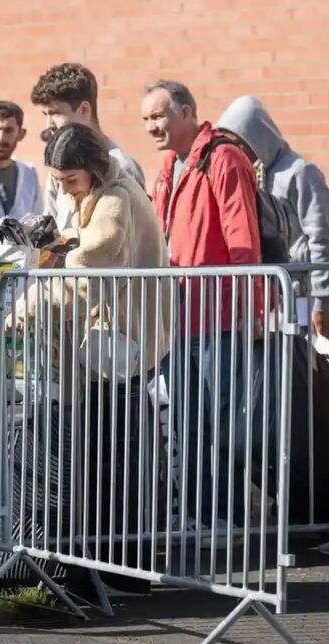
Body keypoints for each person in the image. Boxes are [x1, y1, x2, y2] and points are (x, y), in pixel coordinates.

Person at [13, 123, 170, 595]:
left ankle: (107, 570)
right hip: (123, 346)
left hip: (121, 348)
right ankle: (121, 568)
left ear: (94, 170)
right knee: (114, 460)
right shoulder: (107, 192)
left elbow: (88, 275)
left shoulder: (115, 203)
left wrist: (29, 307)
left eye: (70, 180)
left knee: (107, 463)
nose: (62, 188)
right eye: (58, 180)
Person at [141, 79, 262, 527]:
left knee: (219, 424)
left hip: (220, 317)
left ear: (188, 112)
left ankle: (228, 517)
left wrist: (250, 306)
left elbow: (242, 241)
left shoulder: (223, 158)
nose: (152, 127)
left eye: (159, 116)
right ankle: (200, 515)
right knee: (188, 424)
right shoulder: (168, 167)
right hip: (178, 320)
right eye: (146, 120)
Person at [216, 95, 329, 337]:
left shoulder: (300, 172)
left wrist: (322, 299)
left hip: (304, 290)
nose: (236, 150)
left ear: (257, 135)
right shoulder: (253, 174)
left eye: (239, 142)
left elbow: (321, 236)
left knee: (308, 363)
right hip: (276, 293)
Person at [31, 63, 145, 228]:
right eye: (45, 114)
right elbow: (50, 233)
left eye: (55, 113)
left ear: (84, 110)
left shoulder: (122, 167)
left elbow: (135, 239)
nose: (49, 124)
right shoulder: (58, 167)